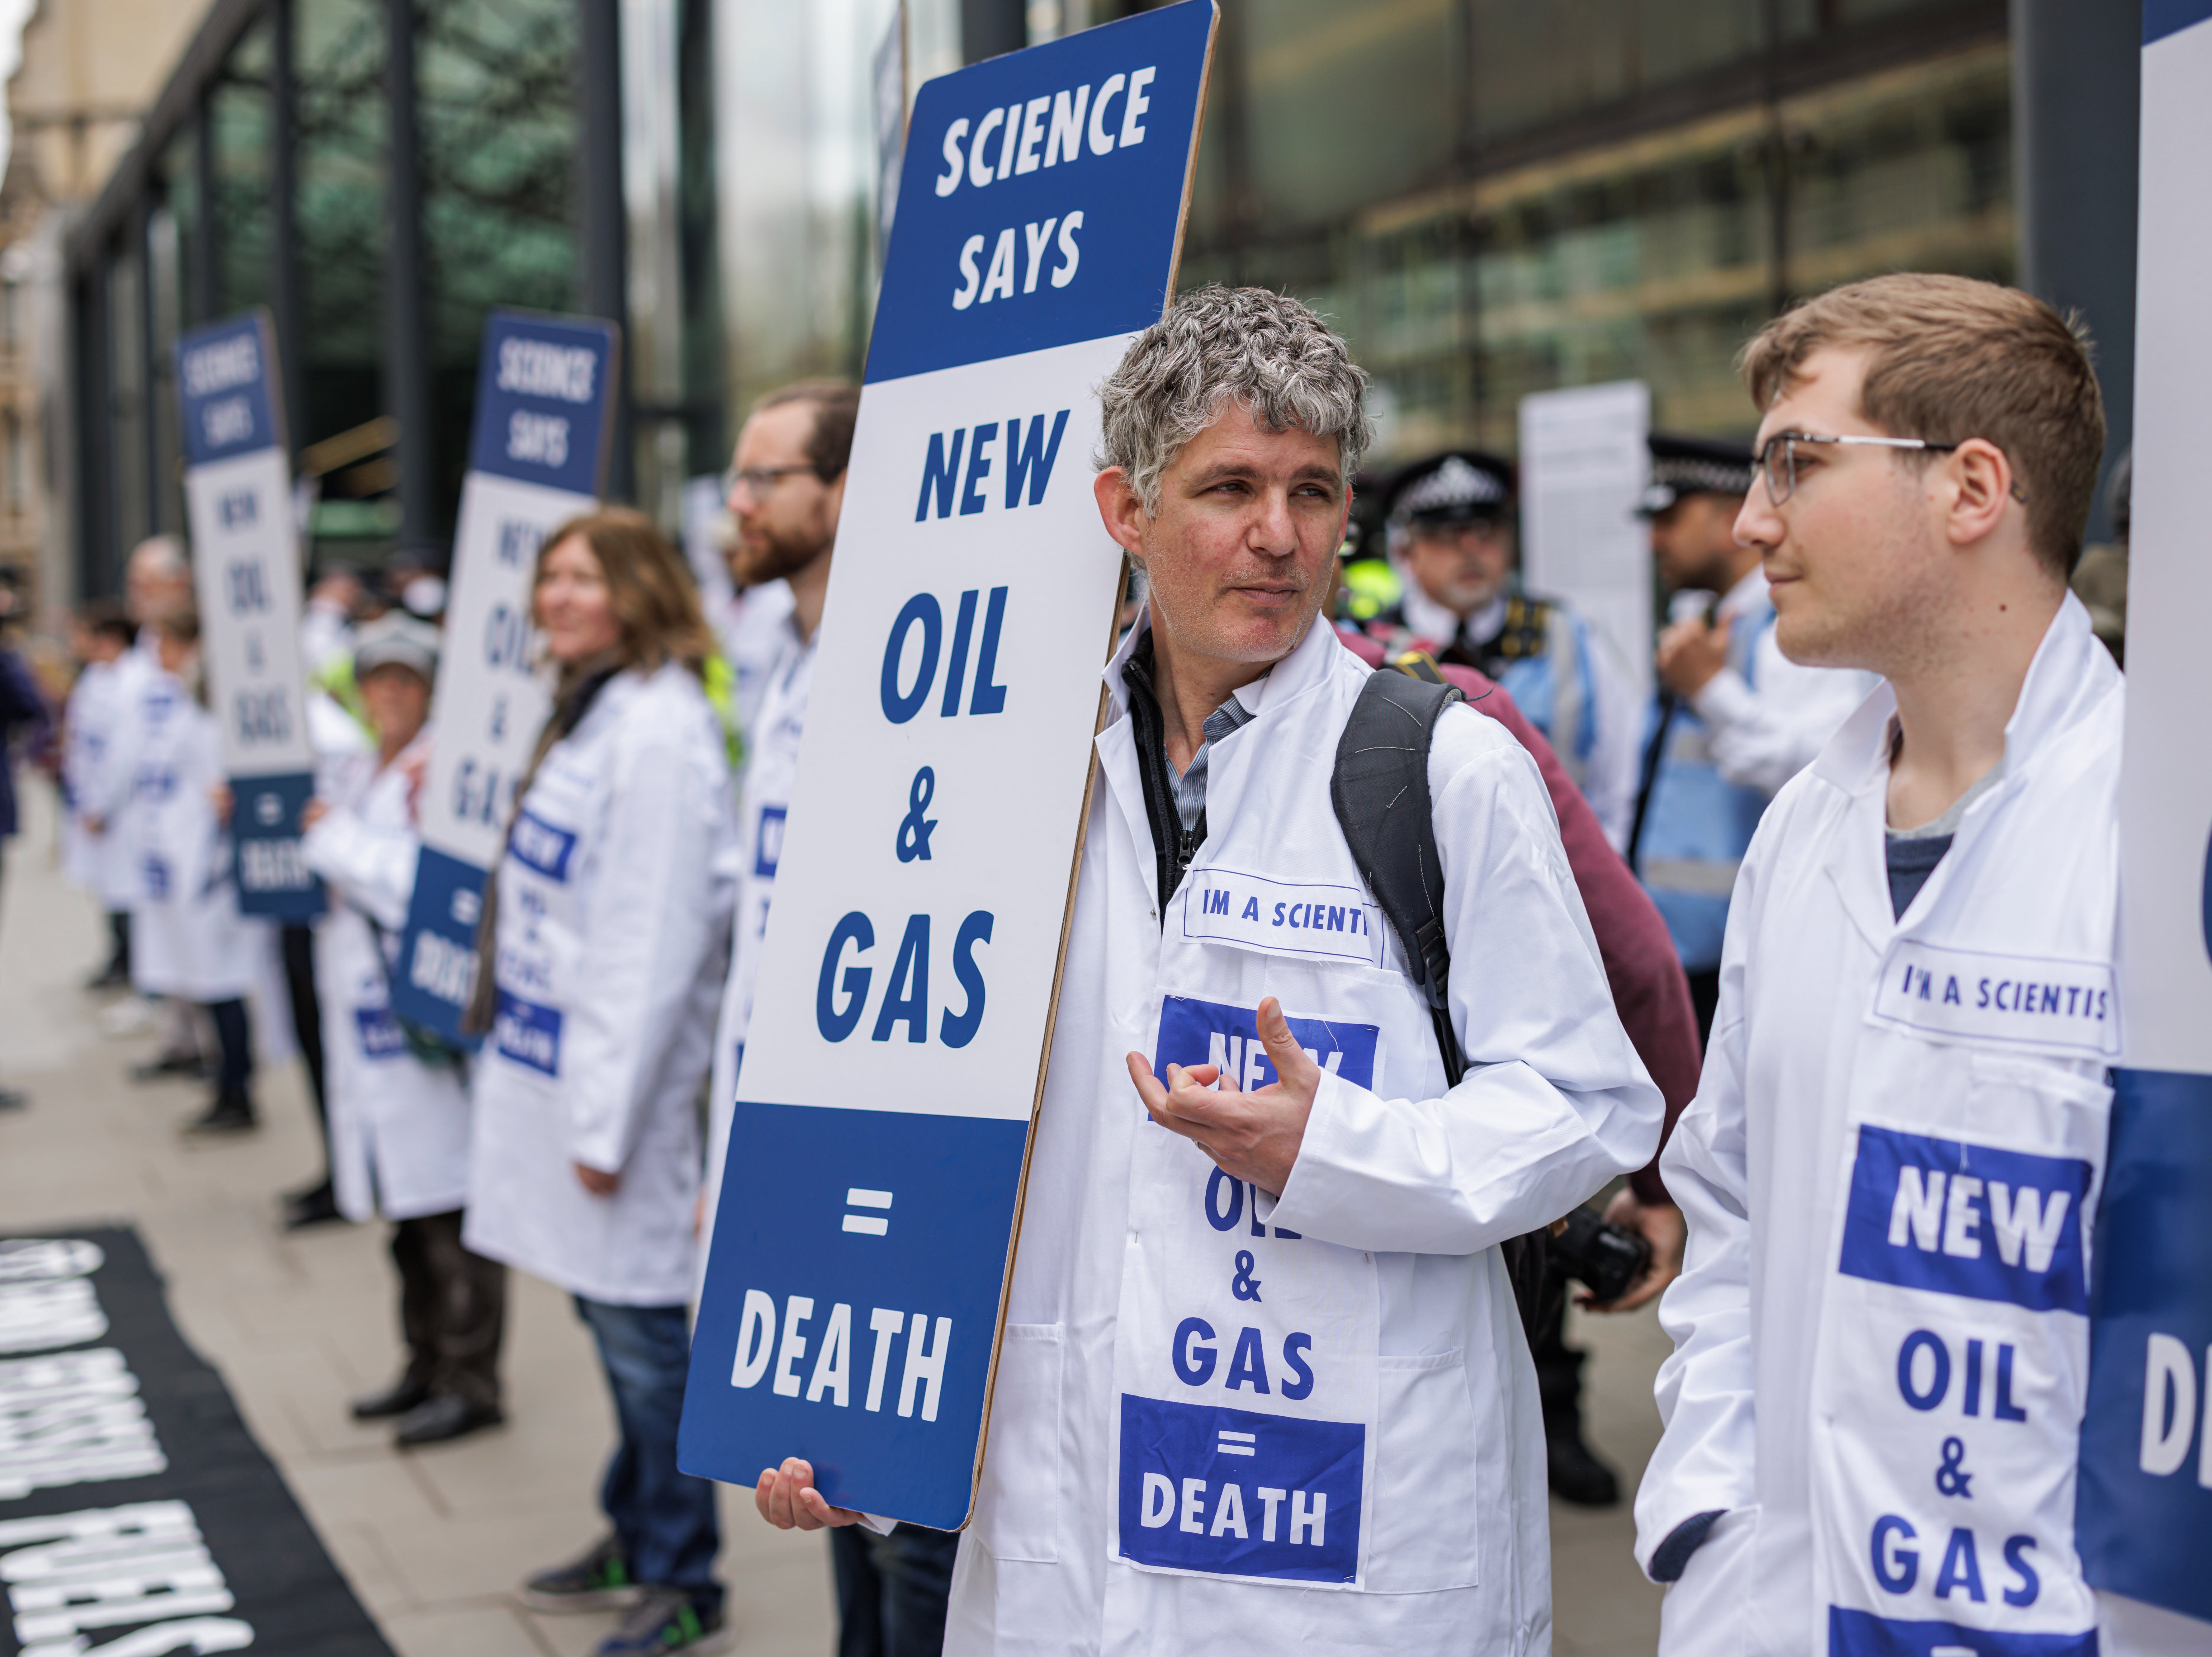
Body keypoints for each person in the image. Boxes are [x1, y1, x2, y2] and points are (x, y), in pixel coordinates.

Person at [753, 286, 1661, 1653]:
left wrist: (1340, 1143)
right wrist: (856, 1418)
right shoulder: (1004, 777)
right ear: (1124, 512)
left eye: (1312, 490)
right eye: (1228, 486)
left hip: (1351, 1536)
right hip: (1072, 1527)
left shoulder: (1440, 766)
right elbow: (916, 1116)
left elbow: (1591, 1103)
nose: (1276, 534)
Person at [1635, 274, 2120, 1655]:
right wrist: (1711, 1520)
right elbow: (1722, 1204)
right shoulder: (1803, 830)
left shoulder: (2155, 847)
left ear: (1970, 488)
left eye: (1796, 462)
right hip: (1777, 1611)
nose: (1748, 522)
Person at [690, 377, 966, 1657]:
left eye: (762, 479)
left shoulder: (919, 665)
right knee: (824, 1477)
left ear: (845, 493)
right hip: (784, 1125)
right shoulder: (779, 656)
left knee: (908, 1514)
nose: (734, 505)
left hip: (888, 1137)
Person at [461, 510, 736, 1657]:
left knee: (636, 1329)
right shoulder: (589, 710)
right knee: (600, 1308)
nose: (560, 597)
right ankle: (633, 1521)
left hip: (612, 1096)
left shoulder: (660, 732)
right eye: (551, 577)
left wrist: (604, 1118)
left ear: (638, 588)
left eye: (585, 577)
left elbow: (650, 945)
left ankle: (684, 1572)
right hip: (551, 1075)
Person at [300, 613, 506, 1448]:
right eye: (377, 679)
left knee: (451, 1207)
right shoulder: (358, 767)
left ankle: (472, 1376)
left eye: (406, 680)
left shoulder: (438, 777)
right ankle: (422, 1360)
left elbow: (424, 886)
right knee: (403, 1215)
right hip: (366, 1014)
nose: (389, 694)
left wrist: (331, 840)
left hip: (421, 1019)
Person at [1632, 433, 1873, 1042]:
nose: (1655, 538)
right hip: (1680, 953)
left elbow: (1820, 770)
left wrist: (1711, 689)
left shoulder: (1786, 627)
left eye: (1671, 517)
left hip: (1740, 959)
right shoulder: (1703, 621)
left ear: (1724, 516)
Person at [1363, 450, 1642, 848]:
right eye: (1446, 534)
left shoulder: (1565, 632)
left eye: (1487, 529)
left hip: (1558, 875)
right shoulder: (1376, 647)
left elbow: (1617, 780)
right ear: (1408, 551)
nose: (1472, 547)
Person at [127, 611, 267, 1136]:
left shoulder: (208, 710)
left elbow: (219, 790)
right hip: (188, 865)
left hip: (210, 871)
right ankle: (226, 1080)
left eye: (164, 643)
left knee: (221, 980)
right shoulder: (183, 704)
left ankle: (237, 1090)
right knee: (206, 979)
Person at [61, 602, 139, 989]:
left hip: (119, 811)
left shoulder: (132, 681)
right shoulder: (95, 678)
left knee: (128, 893)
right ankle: (120, 958)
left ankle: (135, 969)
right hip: (92, 804)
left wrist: (101, 803)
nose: (76, 643)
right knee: (108, 890)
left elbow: (123, 753)